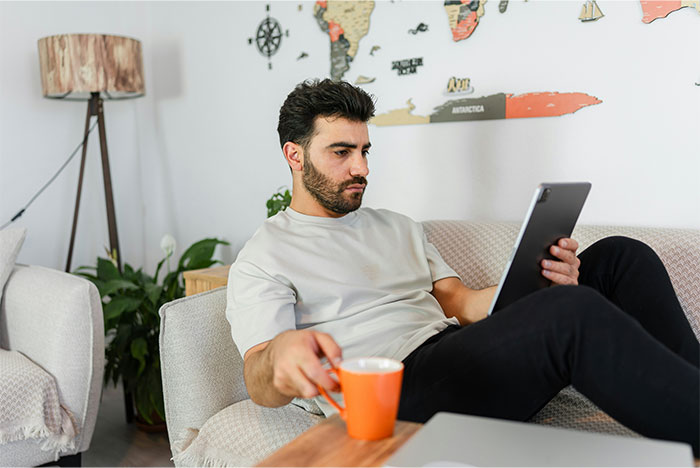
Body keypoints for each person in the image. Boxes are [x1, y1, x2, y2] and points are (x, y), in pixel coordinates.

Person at [226, 79, 699, 455]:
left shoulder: (398, 226)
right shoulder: (265, 254)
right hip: (396, 394)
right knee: (570, 313)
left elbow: (460, 302)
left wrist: (533, 285)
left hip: (453, 356)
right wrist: (282, 356)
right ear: (294, 155)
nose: (361, 168)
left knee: (619, 256)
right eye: (341, 152)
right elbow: (259, 378)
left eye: (364, 150)